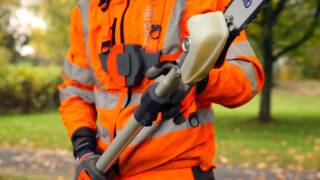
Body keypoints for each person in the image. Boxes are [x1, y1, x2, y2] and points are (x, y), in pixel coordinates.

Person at [59, 0, 265, 179]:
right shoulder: (87, 9)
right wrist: (83, 150)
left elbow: (247, 77)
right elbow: (75, 90)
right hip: (105, 168)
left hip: (176, 167)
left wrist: (196, 79)